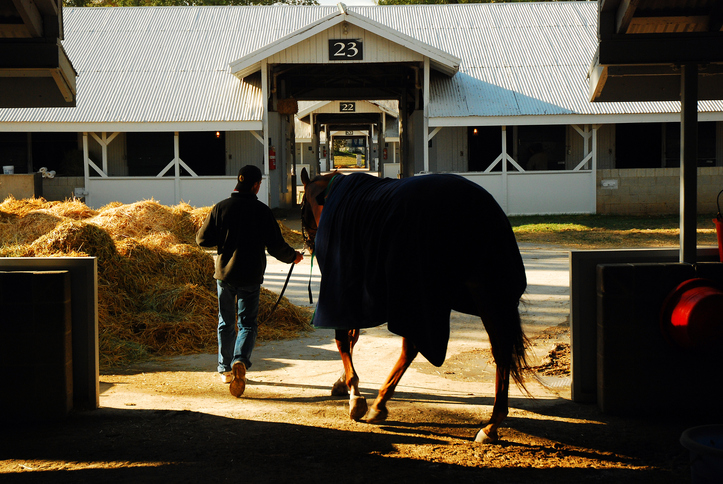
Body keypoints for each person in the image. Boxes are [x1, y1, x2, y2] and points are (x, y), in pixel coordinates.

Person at [196, 165, 303, 397]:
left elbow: (202, 239)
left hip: (224, 275)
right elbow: (276, 246)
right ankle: (240, 361)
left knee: (225, 322)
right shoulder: (262, 211)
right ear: (255, 185)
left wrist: (223, 235)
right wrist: (293, 256)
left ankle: (225, 370)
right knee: (247, 324)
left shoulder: (221, 207)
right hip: (251, 276)